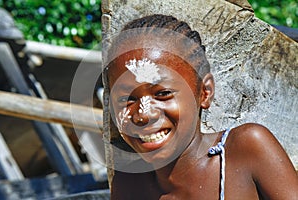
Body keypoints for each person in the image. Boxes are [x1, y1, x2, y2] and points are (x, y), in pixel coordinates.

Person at [104, 14, 298, 199]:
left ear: (204, 93)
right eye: (126, 100)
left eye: (162, 94)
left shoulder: (245, 149)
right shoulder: (129, 183)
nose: (143, 115)